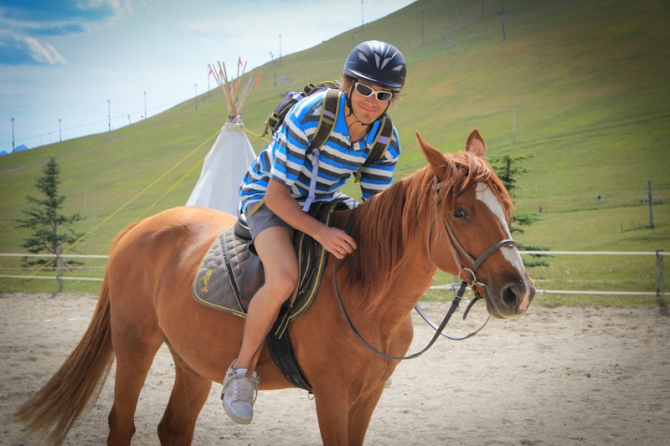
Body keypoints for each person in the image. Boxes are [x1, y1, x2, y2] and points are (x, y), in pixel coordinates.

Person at [222, 40, 407, 425]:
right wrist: (322, 233)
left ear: (393, 99)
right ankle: (241, 373)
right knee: (285, 277)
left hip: (322, 198)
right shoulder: (312, 114)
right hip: (268, 196)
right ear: (348, 84)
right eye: (365, 89)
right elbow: (276, 195)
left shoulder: (385, 142)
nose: (372, 100)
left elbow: (377, 211)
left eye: (383, 94)